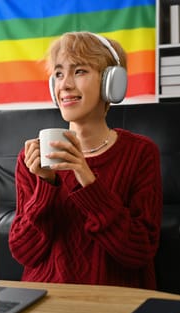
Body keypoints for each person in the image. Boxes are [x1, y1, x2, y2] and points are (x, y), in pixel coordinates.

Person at [9, 31, 162, 289]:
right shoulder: (30, 158)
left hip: (115, 305)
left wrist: (88, 181)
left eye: (79, 71)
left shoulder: (140, 154)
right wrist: (45, 187)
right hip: (45, 302)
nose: (65, 85)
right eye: (58, 74)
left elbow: (139, 251)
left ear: (111, 83)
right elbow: (24, 253)